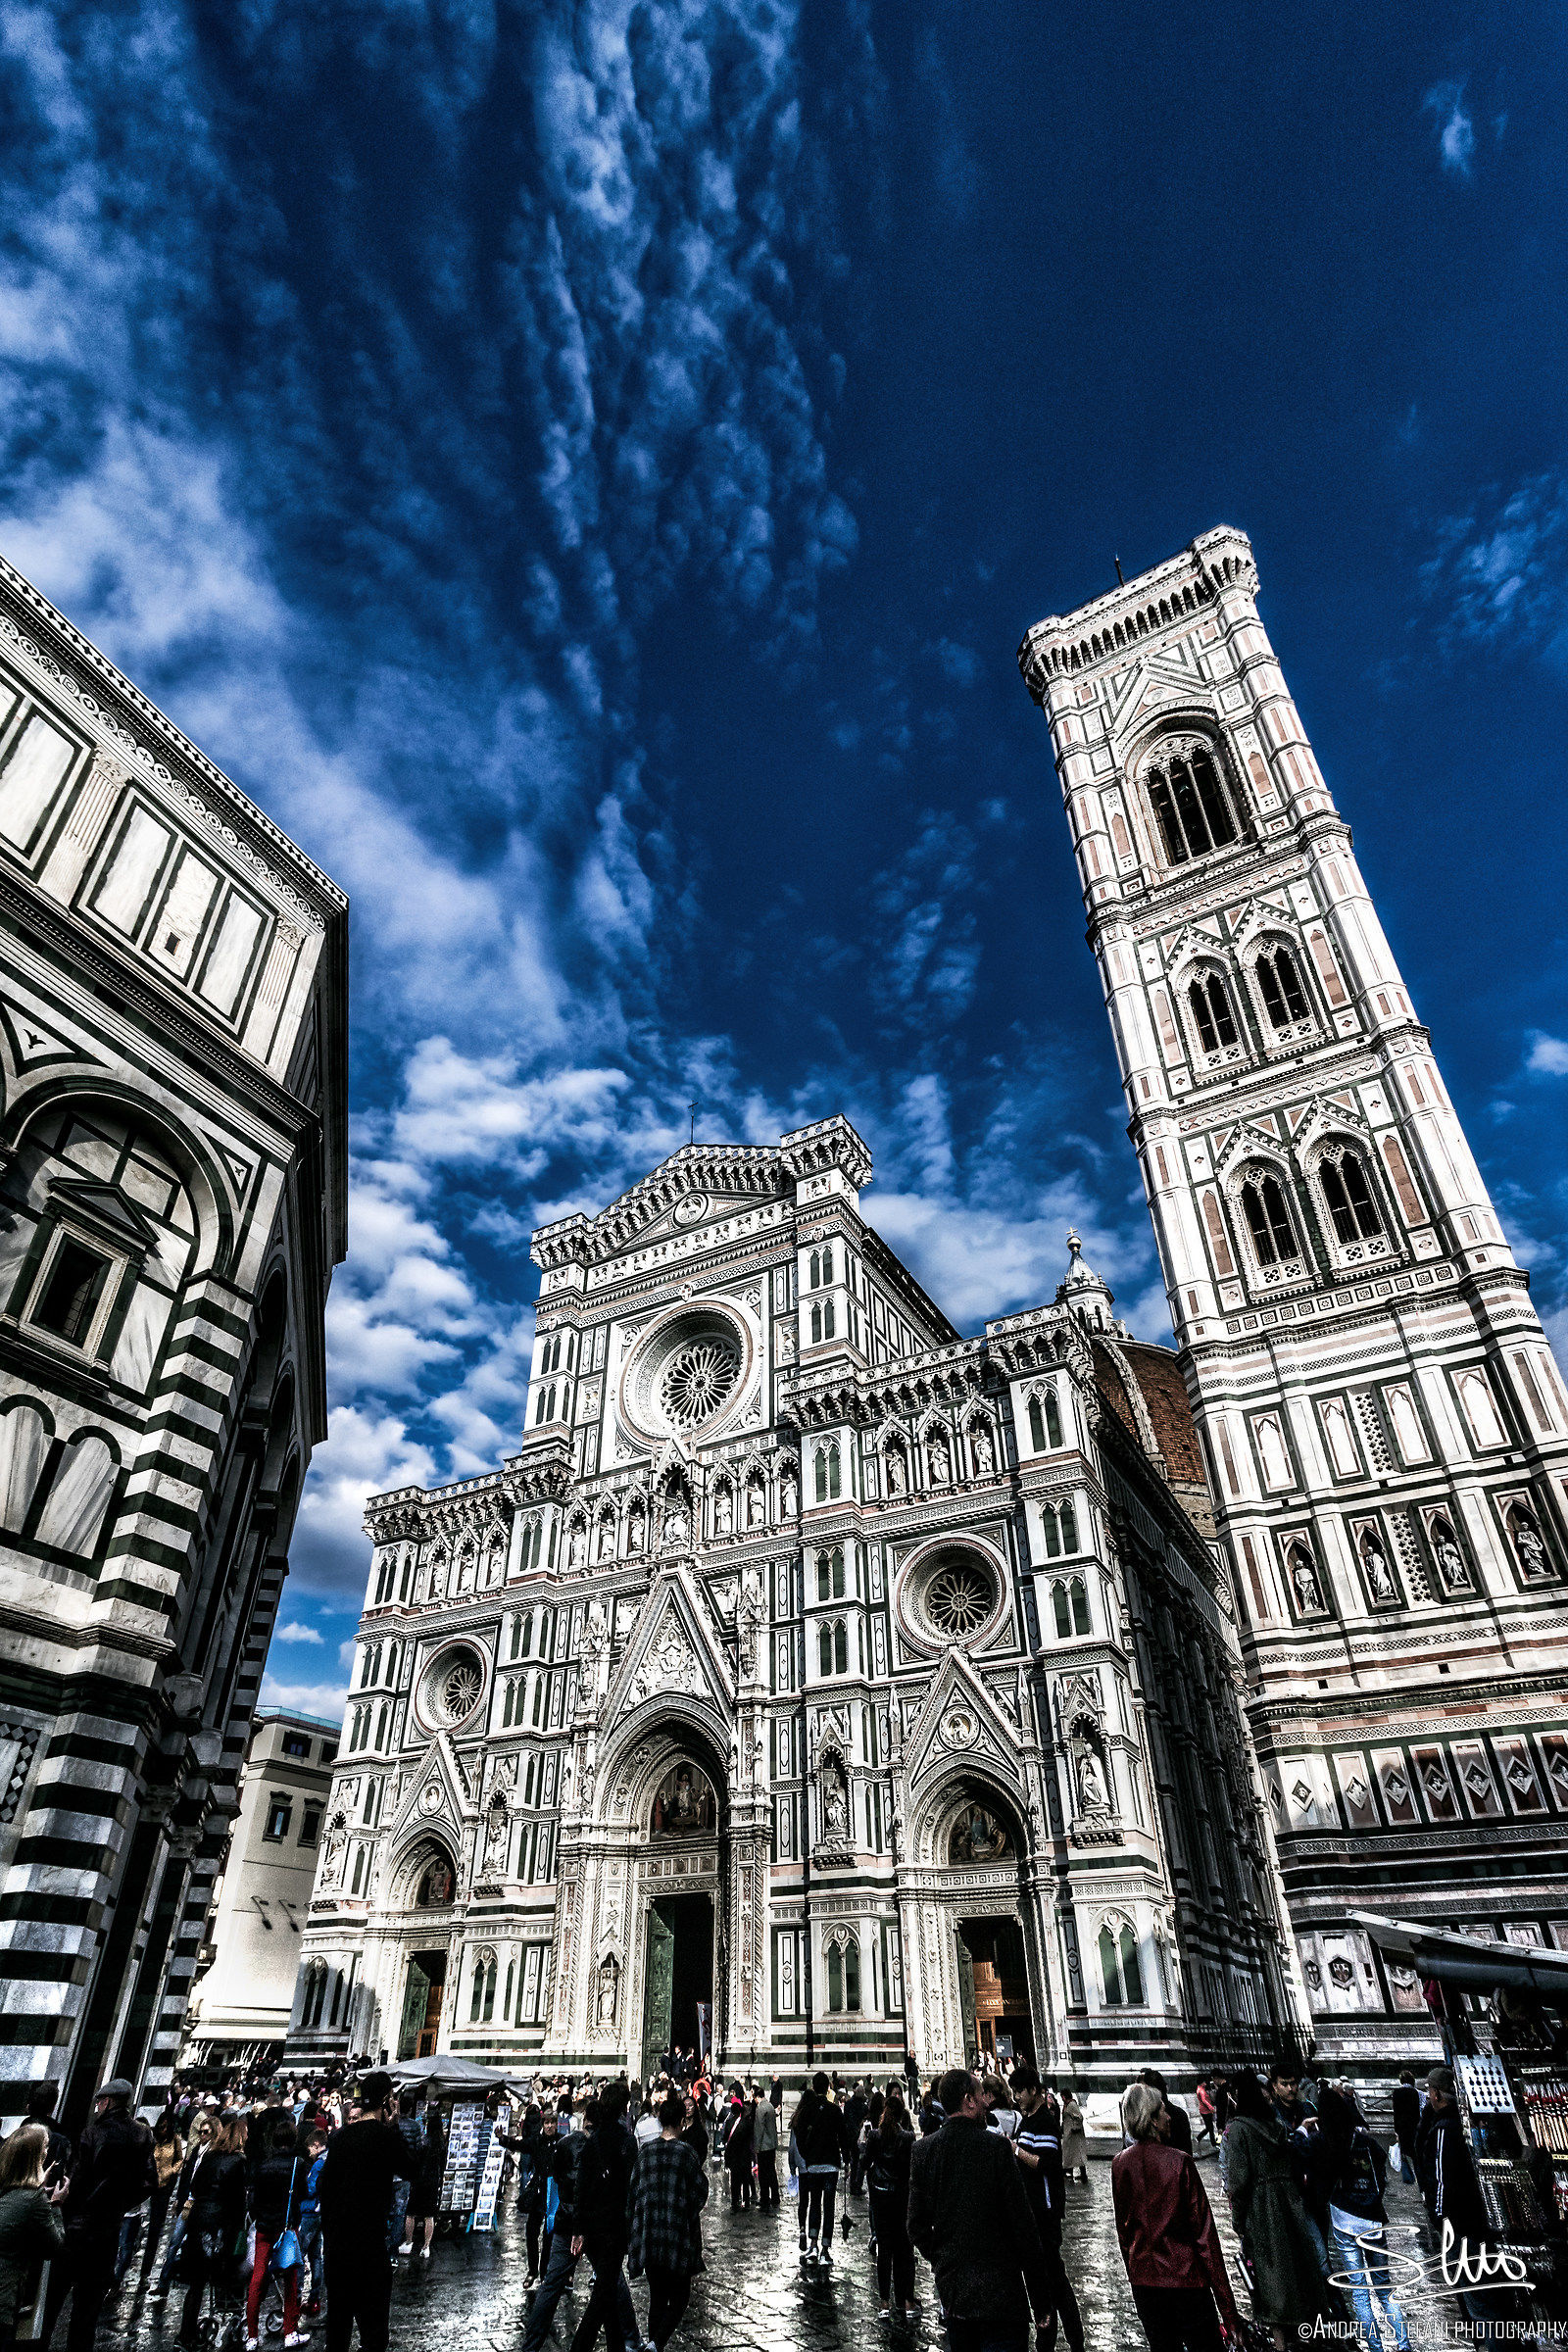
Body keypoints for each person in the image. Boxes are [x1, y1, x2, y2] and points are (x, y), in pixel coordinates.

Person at [908, 2069, 1054, 2352]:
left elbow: (915, 2226)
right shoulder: (998, 2149)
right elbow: (1024, 2228)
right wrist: (1041, 2303)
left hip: (956, 2297)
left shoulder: (923, 2151)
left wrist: (943, 2262)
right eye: (980, 2096)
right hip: (1002, 2297)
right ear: (969, 2100)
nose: (987, 2103)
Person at [1112, 2083, 1239, 2352]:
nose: (1169, 2117)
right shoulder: (1180, 2162)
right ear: (1153, 2121)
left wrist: (1137, 2272)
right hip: (1187, 2284)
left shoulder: (1119, 2164)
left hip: (1146, 2287)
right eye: (1162, 2111)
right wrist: (1228, 2310)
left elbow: (1124, 2233)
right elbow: (1206, 2238)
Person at [41, 2079, 155, 2352]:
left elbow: (77, 2180)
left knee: (51, 2303)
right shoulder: (143, 2134)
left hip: (77, 2229)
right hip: (107, 2230)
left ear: (106, 2102)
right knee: (88, 2310)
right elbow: (150, 2182)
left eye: (98, 2102)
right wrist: (119, 2204)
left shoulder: (92, 2133)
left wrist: (69, 2205)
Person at [1223, 2074, 1332, 2352]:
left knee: (1271, 2279)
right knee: (1297, 2269)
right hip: (1289, 2203)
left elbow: (1238, 2179)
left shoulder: (1238, 2129)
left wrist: (1238, 2219)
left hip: (1261, 2208)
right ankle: (1310, 2337)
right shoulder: (1276, 2125)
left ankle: (1281, 2344)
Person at [315, 2070, 414, 2352]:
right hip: (369, 2248)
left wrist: (330, 2235)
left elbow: (326, 2187)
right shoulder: (385, 2138)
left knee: (338, 2330)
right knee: (373, 2333)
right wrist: (394, 2126)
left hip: (338, 2248)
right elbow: (411, 2169)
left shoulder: (340, 2138)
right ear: (387, 2102)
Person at [1316, 2088, 1407, 2352]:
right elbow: (1383, 2170)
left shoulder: (1326, 2143)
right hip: (1372, 2221)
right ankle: (1403, 2346)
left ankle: (1376, 2348)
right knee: (1384, 2288)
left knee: (1359, 2291)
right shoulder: (1365, 2141)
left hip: (1344, 2222)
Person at [626, 2093, 709, 2352]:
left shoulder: (645, 2153)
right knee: (681, 2296)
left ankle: (654, 2346)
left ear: (660, 2120)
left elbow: (633, 2193)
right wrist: (683, 2210)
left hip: (650, 2235)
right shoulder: (686, 2153)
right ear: (682, 2121)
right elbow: (700, 2192)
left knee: (657, 2298)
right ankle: (656, 2345)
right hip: (677, 2235)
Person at [1013, 2066, 1082, 2352]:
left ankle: (1066, 2340)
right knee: (1046, 2280)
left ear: (1033, 2090)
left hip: (1045, 2212)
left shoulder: (1044, 2121)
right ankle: (1051, 2339)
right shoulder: (1028, 2120)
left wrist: (1015, 2149)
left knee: (1053, 2279)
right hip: (1032, 2212)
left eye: (1020, 2091)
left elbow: (1047, 2164)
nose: (1016, 2097)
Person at [568, 2082, 635, 2352]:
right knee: (603, 2293)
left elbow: (580, 2187)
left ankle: (616, 2347)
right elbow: (632, 2187)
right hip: (615, 2227)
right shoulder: (626, 2141)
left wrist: (579, 2229)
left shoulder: (592, 2140)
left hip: (592, 2228)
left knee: (606, 2288)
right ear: (624, 2107)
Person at [177, 2115, 249, 2352]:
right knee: (225, 2273)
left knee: (196, 2284)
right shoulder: (238, 2161)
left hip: (199, 2220)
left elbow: (195, 2186)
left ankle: (185, 2335)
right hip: (219, 2225)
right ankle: (230, 2321)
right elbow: (238, 2201)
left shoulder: (209, 2157)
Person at [518, 2103, 586, 2352]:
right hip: (546, 2199)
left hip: (560, 2208)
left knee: (550, 2241)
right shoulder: (547, 2143)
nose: (548, 2126)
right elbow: (523, 2147)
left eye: (550, 2123)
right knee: (533, 2231)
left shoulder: (563, 2143)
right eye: (545, 2123)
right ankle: (535, 2270)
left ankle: (547, 2272)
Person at [0, 2125, 67, 2352]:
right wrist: (56, 2204)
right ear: (37, 2155)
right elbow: (55, 2246)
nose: (47, 2151)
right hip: (4, 2299)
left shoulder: (7, 2188)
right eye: (45, 2146)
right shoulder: (33, 2198)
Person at [249, 2109, 309, 2350]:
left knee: (257, 2278)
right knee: (291, 2279)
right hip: (287, 2228)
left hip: (265, 2227)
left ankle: (252, 2336)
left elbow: (255, 2199)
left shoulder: (264, 2165)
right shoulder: (298, 2164)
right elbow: (303, 2194)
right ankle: (290, 2331)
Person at [865, 2085, 917, 2322]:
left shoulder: (875, 2135)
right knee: (905, 2250)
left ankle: (884, 2301)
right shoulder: (907, 2138)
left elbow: (865, 2163)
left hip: (881, 2198)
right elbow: (912, 2170)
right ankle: (906, 2300)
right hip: (901, 2199)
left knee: (885, 2250)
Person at [788, 2076, 846, 2265]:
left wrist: (808, 2157)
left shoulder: (806, 2111)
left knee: (814, 2204)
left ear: (814, 2087)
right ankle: (825, 2250)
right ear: (828, 2087)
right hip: (831, 2166)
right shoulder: (834, 2110)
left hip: (813, 2166)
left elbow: (799, 2137)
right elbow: (843, 2138)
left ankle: (813, 2245)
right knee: (829, 2207)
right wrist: (847, 2161)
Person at [136, 2110, 185, 2294]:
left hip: (163, 2187)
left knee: (155, 2229)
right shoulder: (151, 2138)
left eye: (167, 2126)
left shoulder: (175, 2140)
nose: (164, 2129)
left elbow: (180, 2159)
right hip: (146, 2183)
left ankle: (145, 2271)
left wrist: (172, 2171)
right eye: (162, 2125)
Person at [399, 2104, 443, 2261]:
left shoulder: (424, 2142)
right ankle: (426, 2247)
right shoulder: (441, 2144)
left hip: (418, 2180)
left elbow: (416, 2158)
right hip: (432, 2182)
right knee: (429, 2216)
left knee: (411, 2213)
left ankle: (409, 2242)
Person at [295, 2128, 328, 2324]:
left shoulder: (318, 2165)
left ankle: (296, 2298)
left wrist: (300, 2188)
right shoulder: (329, 2160)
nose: (308, 2152)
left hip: (310, 2212)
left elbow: (311, 2188)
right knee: (316, 2257)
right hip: (320, 2213)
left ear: (316, 2145)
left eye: (309, 2148)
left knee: (300, 2256)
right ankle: (314, 2299)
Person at [721, 2092, 754, 2214]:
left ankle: (735, 2200)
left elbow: (725, 2138)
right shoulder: (747, 2123)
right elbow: (750, 2138)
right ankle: (746, 2201)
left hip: (734, 2155)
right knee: (745, 2179)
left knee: (734, 2179)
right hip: (744, 2155)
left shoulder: (729, 2123)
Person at [1389, 2072, 1420, 2187]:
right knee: (1416, 2154)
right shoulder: (1414, 2092)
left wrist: (1396, 2130)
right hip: (1414, 2126)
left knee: (1404, 2154)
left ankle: (1408, 2176)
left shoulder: (1397, 2093)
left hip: (1402, 2127)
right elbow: (1417, 2112)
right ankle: (1420, 2180)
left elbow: (1396, 2112)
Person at [751, 2089, 779, 2211]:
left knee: (763, 2174)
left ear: (757, 2097)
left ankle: (765, 2198)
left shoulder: (760, 2108)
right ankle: (775, 2196)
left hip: (763, 2145)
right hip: (771, 2144)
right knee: (772, 2172)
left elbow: (759, 2129)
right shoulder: (770, 2106)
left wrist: (756, 2147)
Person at [1059, 2089, 1088, 2185]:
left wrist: (1075, 2127)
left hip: (1073, 2135)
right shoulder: (1068, 2104)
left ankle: (1080, 2174)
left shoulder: (1071, 2105)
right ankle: (1070, 2173)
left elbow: (1079, 2117)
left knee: (1076, 2155)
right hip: (1069, 2134)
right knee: (1070, 2154)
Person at [1195, 2081, 1217, 2150]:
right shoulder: (1201, 2091)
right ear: (1201, 2083)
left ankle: (1199, 2138)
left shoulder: (1200, 2089)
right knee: (1210, 2128)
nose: (1205, 2083)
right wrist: (1211, 2108)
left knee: (1209, 2127)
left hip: (1204, 2111)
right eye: (1204, 2082)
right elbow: (1204, 2101)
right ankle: (1213, 2143)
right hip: (1206, 2112)